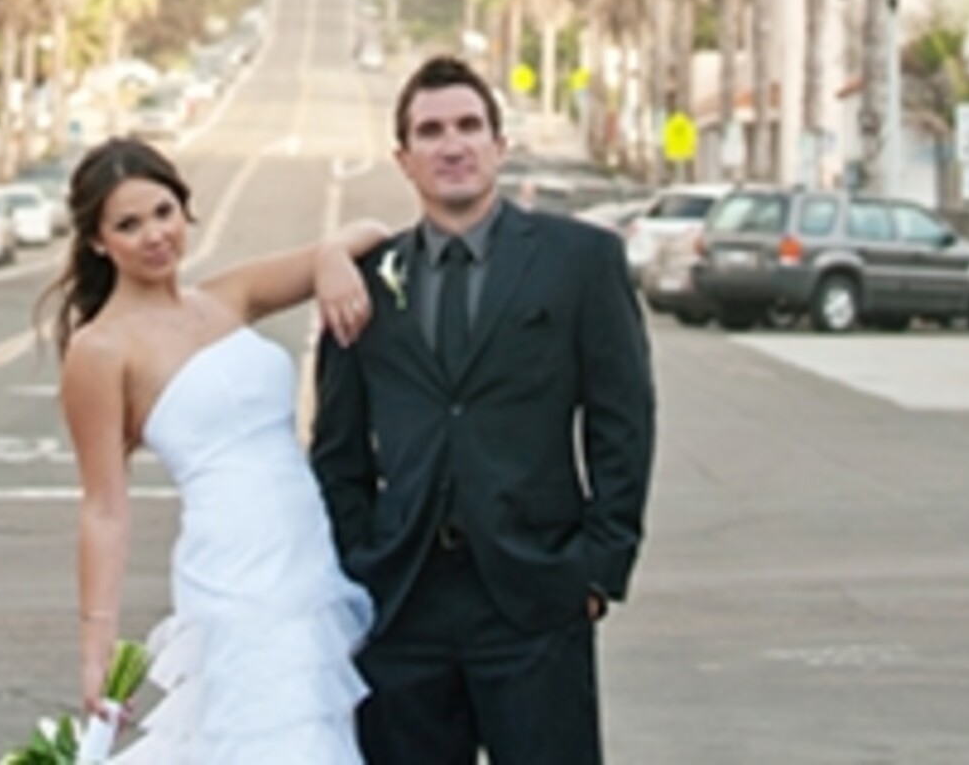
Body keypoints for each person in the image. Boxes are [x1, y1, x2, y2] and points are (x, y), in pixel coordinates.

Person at [311, 55, 657, 765]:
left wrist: (597, 568)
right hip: (404, 603)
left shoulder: (580, 261)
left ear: (499, 146)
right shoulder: (365, 281)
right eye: (431, 131)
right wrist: (359, 560)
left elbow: (623, 421)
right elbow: (336, 449)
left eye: (469, 126)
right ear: (404, 159)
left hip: (536, 597)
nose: (453, 145)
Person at [45, 136, 389, 763]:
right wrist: (96, 649)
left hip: (309, 556)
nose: (154, 235)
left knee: (319, 726)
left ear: (184, 208)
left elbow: (370, 231)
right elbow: (103, 509)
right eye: (128, 225)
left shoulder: (228, 295)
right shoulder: (101, 349)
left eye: (163, 212)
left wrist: (333, 255)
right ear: (97, 241)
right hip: (233, 572)